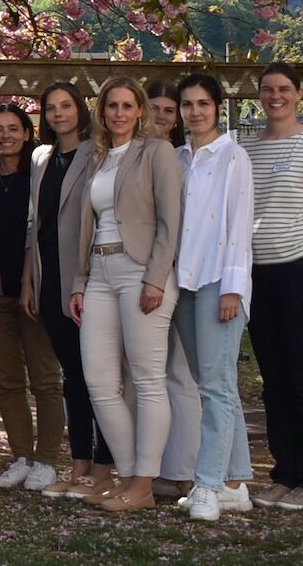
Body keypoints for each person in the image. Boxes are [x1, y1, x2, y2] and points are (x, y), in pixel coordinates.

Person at [65, 77, 183, 512]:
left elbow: (171, 220)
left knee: (148, 379)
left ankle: (143, 483)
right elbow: (85, 226)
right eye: (111, 105)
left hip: (141, 272)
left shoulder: (156, 152)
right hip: (99, 271)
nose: (118, 112)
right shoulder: (96, 157)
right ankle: (129, 476)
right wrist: (80, 282)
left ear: (140, 111)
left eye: (127, 105)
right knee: (98, 381)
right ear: (102, 112)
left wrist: (155, 277)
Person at [242, 62, 303, 511]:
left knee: (301, 377)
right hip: (257, 274)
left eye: (284, 89)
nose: (275, 96)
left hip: (299, 270)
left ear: (299, 94)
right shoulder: (246, 149)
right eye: (267, 89)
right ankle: (286, 472)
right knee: (273, 379)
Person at [168, 73, 256, 520]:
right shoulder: (179, 158)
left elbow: (239, 225)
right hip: (184, 282)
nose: (195, 111)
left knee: (216, 385)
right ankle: (236, 482)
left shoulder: (232, 157)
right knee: (215, 385)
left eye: (203, 103)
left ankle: (207, 484)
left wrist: (234, 288)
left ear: (217, 107)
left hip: (219, 282)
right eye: (187, 104)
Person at [27, 81, 117, 499]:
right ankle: (80, 460)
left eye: (66, 106)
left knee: (96, 372)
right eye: (51, 107)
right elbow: (34, 225)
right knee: (71, 374)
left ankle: (106, 462)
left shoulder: (96, 152)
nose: (59, 114)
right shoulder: (41, 157)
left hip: (85, 274)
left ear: (80, 110)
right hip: (48, 276)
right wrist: (30, 279)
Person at [0, 104, 63, 492]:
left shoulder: (41, 177)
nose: (6, 136)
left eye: (14, 129)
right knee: (7, 380)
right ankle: (20, 456)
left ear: (28, 134)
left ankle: (47, 459)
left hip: (34, 291)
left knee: (45, 379)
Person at [144, 78, 199, 498]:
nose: (162, 117)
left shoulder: (182, 159)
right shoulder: (125, 154)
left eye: (169, 109)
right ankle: (151, 463)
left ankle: (183, 467)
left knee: (178, 372)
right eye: (155, 108)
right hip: (131, 273)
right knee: (145, 376)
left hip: (176, 273)